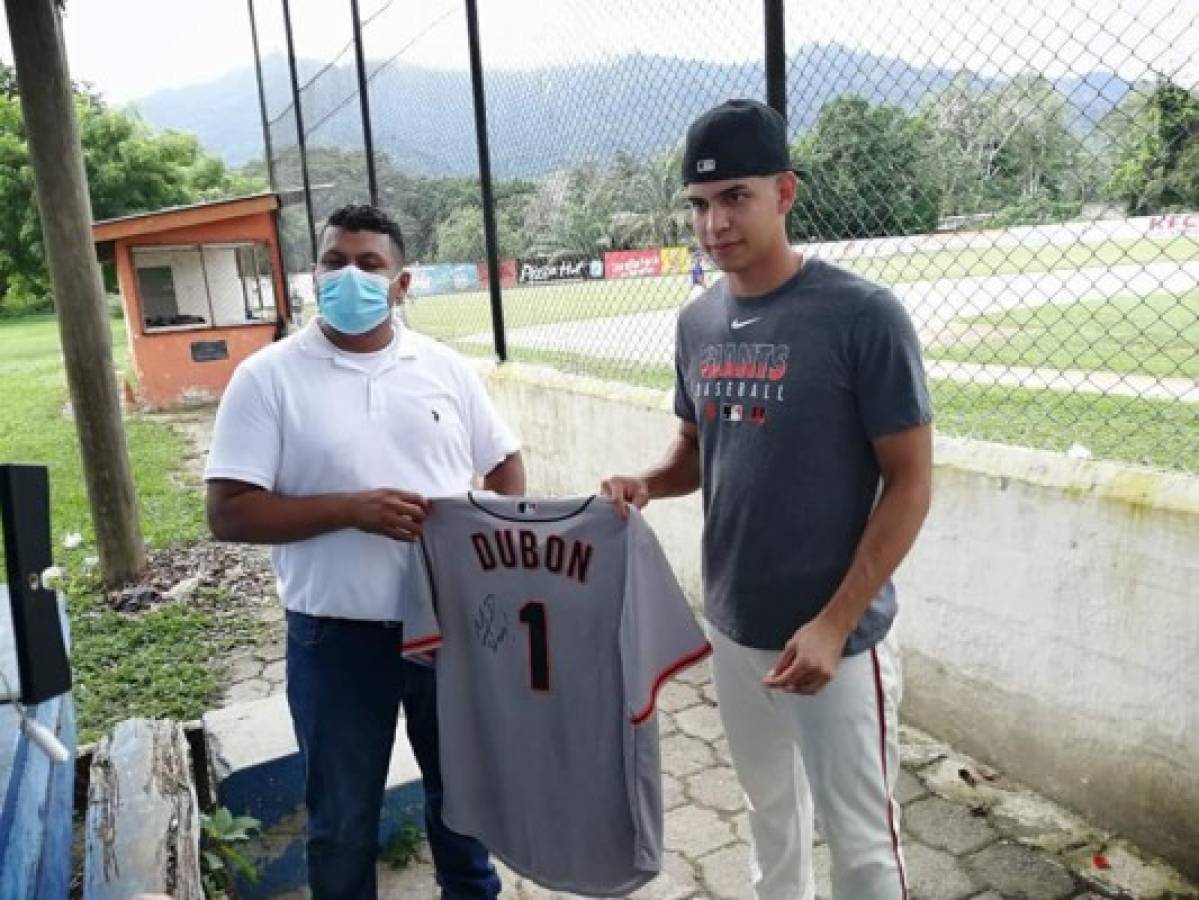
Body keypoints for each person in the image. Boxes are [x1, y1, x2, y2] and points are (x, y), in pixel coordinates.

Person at [602, 99, 933, 900]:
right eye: (699, 204)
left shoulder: (861, 315)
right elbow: (696, 451)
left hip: (834, 645)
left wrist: (834, 623)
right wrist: (647, 482)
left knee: (861, 846)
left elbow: (911, 481)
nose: (714, 222)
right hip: (735, 628)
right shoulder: (697, 322)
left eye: (735, 197)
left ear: (785, 192)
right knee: (767, 817)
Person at [205, 204, 525, 900]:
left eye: (369, 264)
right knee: (342, 822)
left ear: (401, 283)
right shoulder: (268, 378)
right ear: (314, 273)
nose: (348, 275)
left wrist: (486, 550)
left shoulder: (441, 367)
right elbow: (227, 512)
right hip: (334, 640)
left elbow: (503, 462)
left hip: (445, 633)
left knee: (463, 805)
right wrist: (352, 510)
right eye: (333, 262)